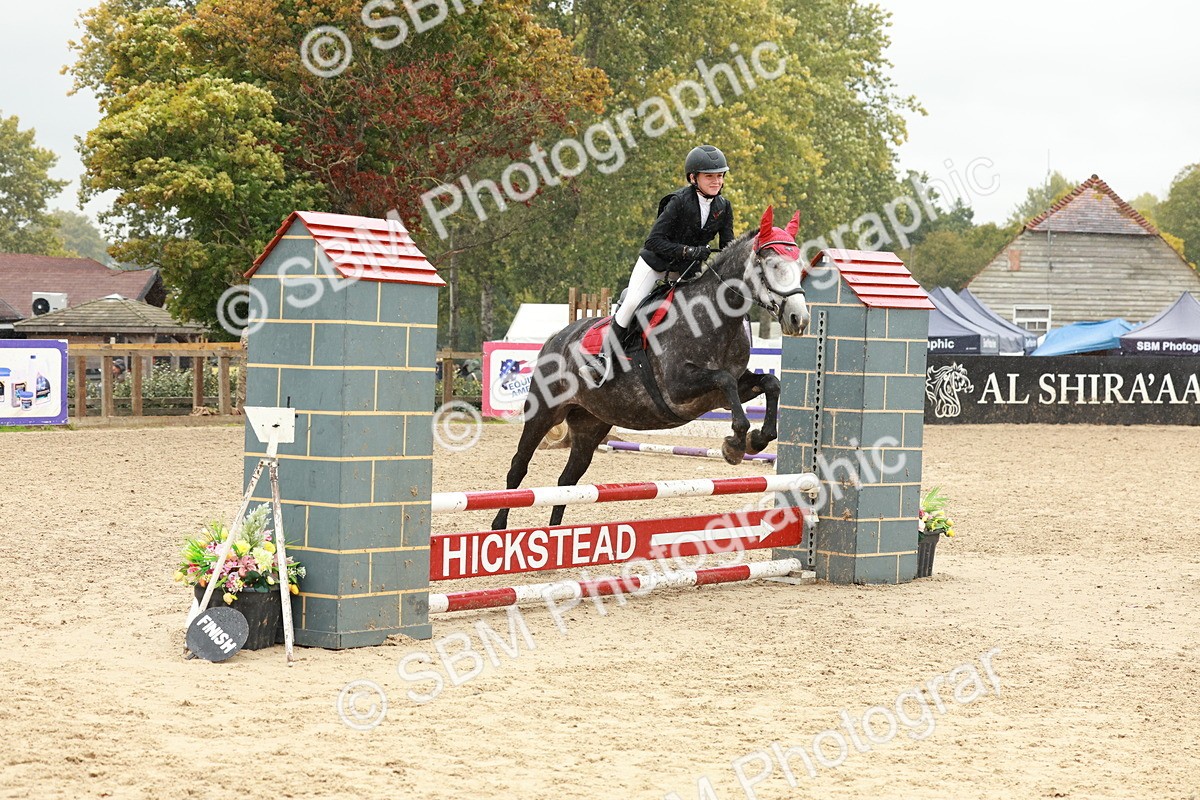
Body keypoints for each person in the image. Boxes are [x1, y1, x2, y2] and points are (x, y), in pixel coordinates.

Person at [586, 144, 735, 385]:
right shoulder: (678, 201)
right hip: (655, 265)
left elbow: (728, 246)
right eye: (710, 176)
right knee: (633, 301)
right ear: (693, 177)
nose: (717, 181)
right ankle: (603, 357)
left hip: (686, 272)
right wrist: (688, 250)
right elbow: (653, 241)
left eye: (720, 176)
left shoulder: (723, 207)